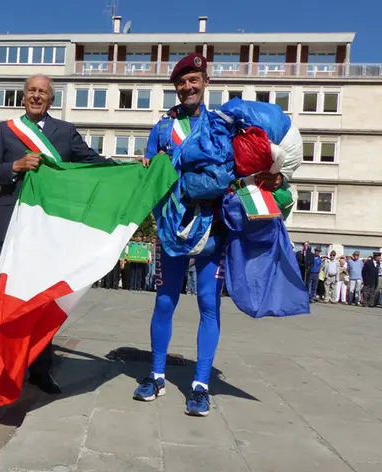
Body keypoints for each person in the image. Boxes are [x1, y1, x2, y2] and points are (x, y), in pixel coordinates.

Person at [0, 73, 107, 395]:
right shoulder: (6, 132)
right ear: (24, 96)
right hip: (15, 228)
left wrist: (135, 169)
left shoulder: (65, 133)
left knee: (42, 301)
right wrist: (15, 167)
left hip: (49, 231)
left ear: (51, 99)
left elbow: (94, 163)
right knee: (14, 301)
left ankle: (40, 368)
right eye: (32, 91)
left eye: (43, 92)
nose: (37, 96)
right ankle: (7, 363)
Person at [131, 54, 237, 417]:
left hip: (213, 228)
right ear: (175, 87)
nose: (188, 87)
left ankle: (201, 385)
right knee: (164, 301)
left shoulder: (222, 124)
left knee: (209, 303)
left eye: (194, 79)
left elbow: (239, 169)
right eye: (182, 82)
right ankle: (157, 376)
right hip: (172, 229)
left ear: (205, 81)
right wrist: (147, 166)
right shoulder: (162, 129)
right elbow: (150, 173)